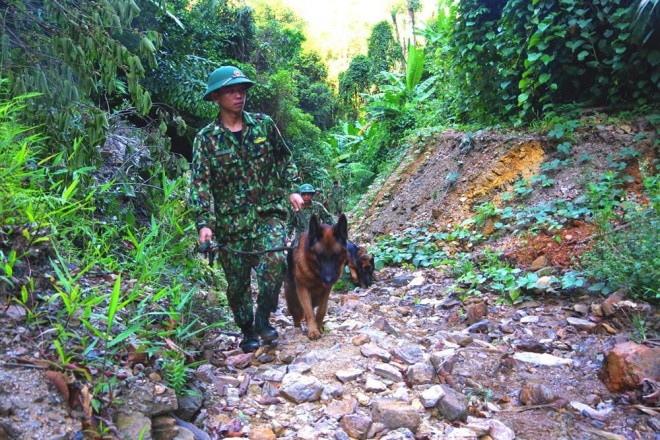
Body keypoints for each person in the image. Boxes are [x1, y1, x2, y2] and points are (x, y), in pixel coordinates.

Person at [189, 65, 303, 353]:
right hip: (231, 223)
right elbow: (200, 183)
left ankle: (264, 318)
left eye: (241, 89)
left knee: (276, 260)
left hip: (269, 212)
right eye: (231, 90)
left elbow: (284, 158)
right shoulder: (206, 139)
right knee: (237, 286)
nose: (238, 95)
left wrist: (292, 188)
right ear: (216, 97)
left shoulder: (264, 125)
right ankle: (247, 329)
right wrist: (204, 223)